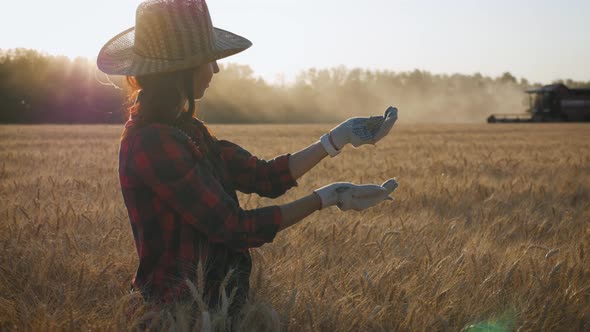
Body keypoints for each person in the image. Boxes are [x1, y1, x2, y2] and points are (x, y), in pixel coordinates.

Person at [97, 0, 398, 321]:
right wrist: (327, 197)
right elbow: (234, 227)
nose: (216, 68)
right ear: (179, 71)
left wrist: (337, 139)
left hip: (213, 310)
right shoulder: (153, 144)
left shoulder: (187, 130)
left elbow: (264, 177)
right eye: (207, 59)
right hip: (176, 316)